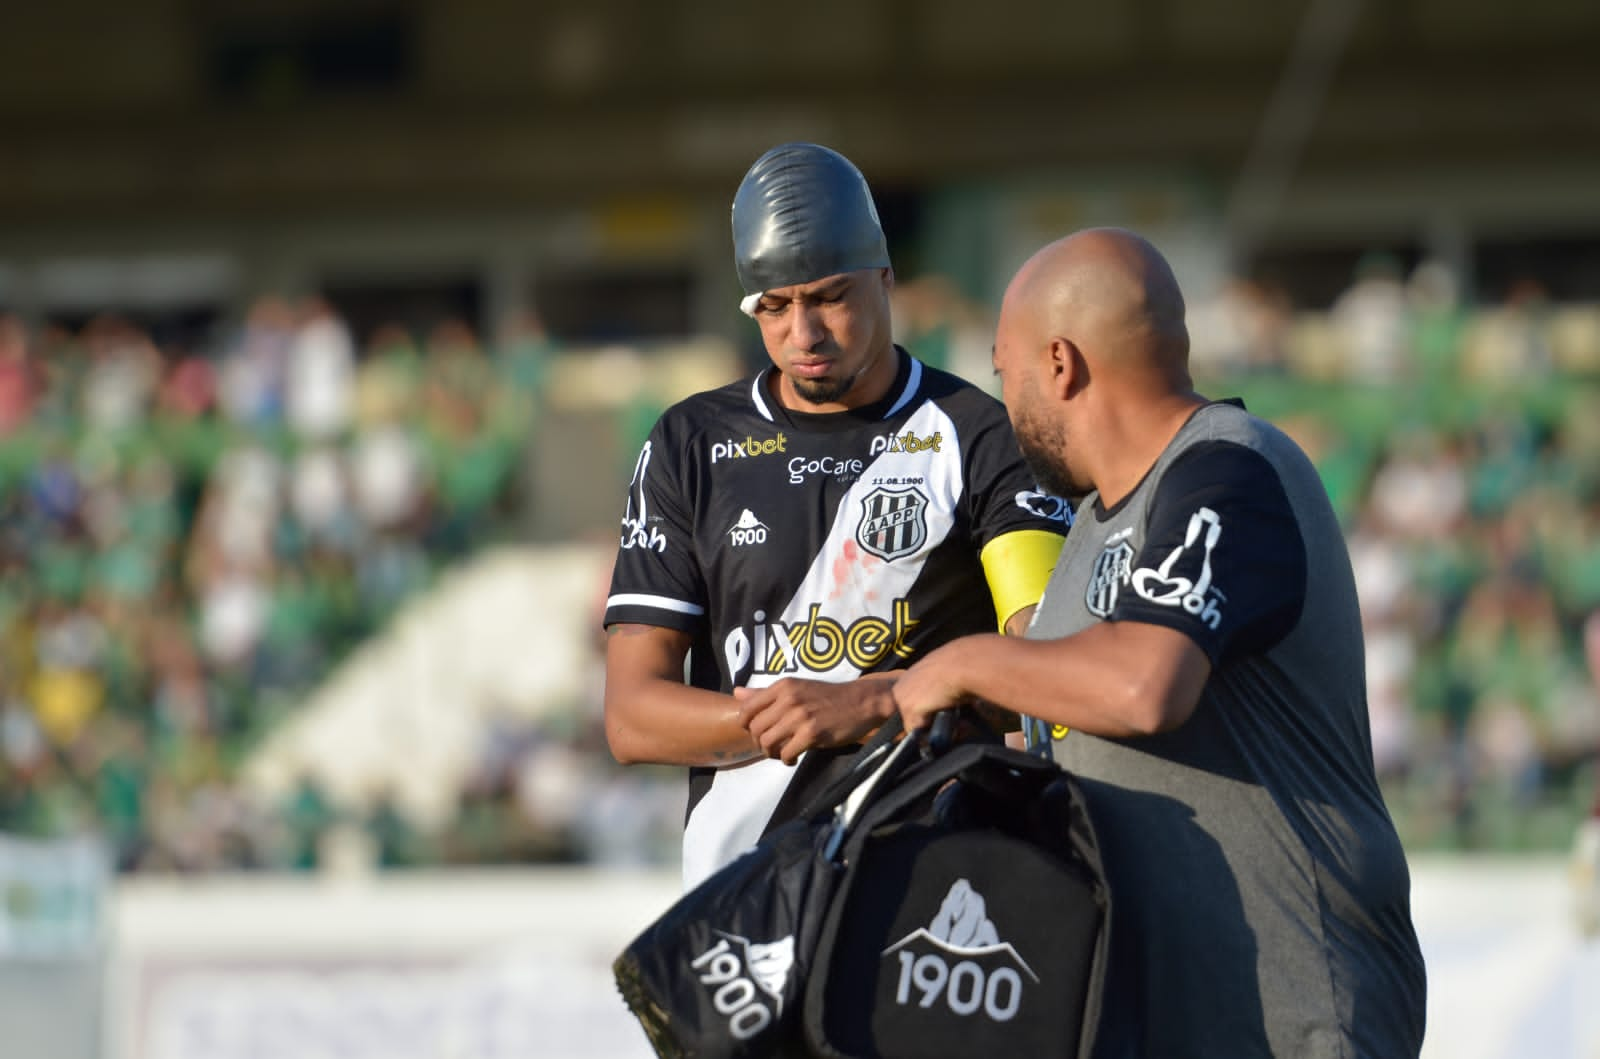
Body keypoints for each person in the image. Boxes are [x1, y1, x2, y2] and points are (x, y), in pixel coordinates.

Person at [893, 228, 1428, 1057]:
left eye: (1006, 372)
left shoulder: (1230, 473)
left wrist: (960, 660)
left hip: (1292, 1019)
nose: (1006, 401)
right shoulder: (1096, 525)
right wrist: (869, 704)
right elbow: (1064, 701)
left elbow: (1146, 685)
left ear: (1060, 364)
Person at [601, 143, 1069, 889]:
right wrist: (795, 717)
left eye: (829, 297)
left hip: (937, 883)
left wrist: (876, 702)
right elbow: (632, 715)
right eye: (775, 307)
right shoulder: (689, 444)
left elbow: (1055, 669)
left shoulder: (982, 435)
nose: (803, 334)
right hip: (744, 894)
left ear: (886, 278)